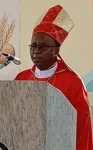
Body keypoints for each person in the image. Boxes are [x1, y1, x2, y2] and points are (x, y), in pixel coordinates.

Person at [14, 5, 92, 150]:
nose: (36, 51)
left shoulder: (73, 82)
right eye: (33, 46)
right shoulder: (21, 78)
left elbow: (82, 128)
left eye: (43, 47)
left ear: (56, 51)